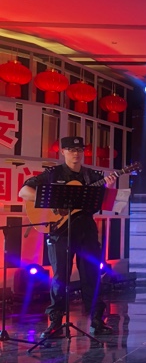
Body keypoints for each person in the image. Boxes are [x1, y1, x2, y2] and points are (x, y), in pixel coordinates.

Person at [19, 136, 114, 338]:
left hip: (86, 229)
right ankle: (55, 321)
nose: (76, 153)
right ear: (63, 152)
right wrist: (53, 201)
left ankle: (97, 320)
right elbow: (24, 191)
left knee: (91, 275)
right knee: (60, 276)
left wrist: (108, 188)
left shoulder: (91, 175)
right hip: (60, 230)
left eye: (79, 149)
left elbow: (102, 203)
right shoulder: (52, 174)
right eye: (71, 149)